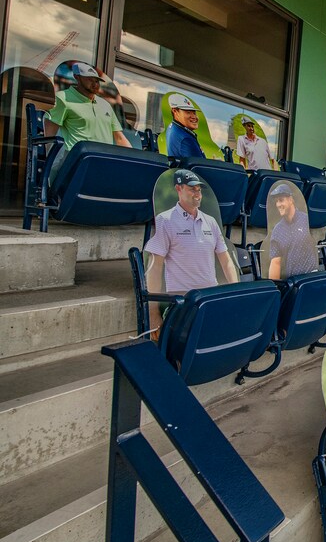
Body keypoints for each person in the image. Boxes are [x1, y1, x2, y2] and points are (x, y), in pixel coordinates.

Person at [144, 169, 238, 337]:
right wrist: (153, 313)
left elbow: (226, 261)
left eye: (199, 189)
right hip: (183, 301)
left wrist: (236, 293)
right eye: (192, 188)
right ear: (178, 189)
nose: (197, 193)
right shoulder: (165, 220)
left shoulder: (211, 222)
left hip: (210, 298)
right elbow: (155, 267)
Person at [45, 63, 132, 176]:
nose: (95, 84)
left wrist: (136, 160)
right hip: (76, 161)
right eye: (90, 80)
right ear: (77, 77)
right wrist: (45, 163)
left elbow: (120, 138)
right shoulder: (62, 98)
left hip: (104, 162)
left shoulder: (105, 104)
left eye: (97, 81)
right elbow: (48, 135)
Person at [267, 183, 317, 279]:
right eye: (276, 201)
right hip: (294, 283)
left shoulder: (306, 220)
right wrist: (275, 288)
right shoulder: (277, 230)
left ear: (290, 200)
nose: (278, 205)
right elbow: (275, 262)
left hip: (312, 279)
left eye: (281, 200)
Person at [164, 94, 205, 158]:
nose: (194, 117)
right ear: (175, 111)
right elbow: (199, 167)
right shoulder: (186, 139)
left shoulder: (173, 127)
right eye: (188, 112)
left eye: (194, 113)